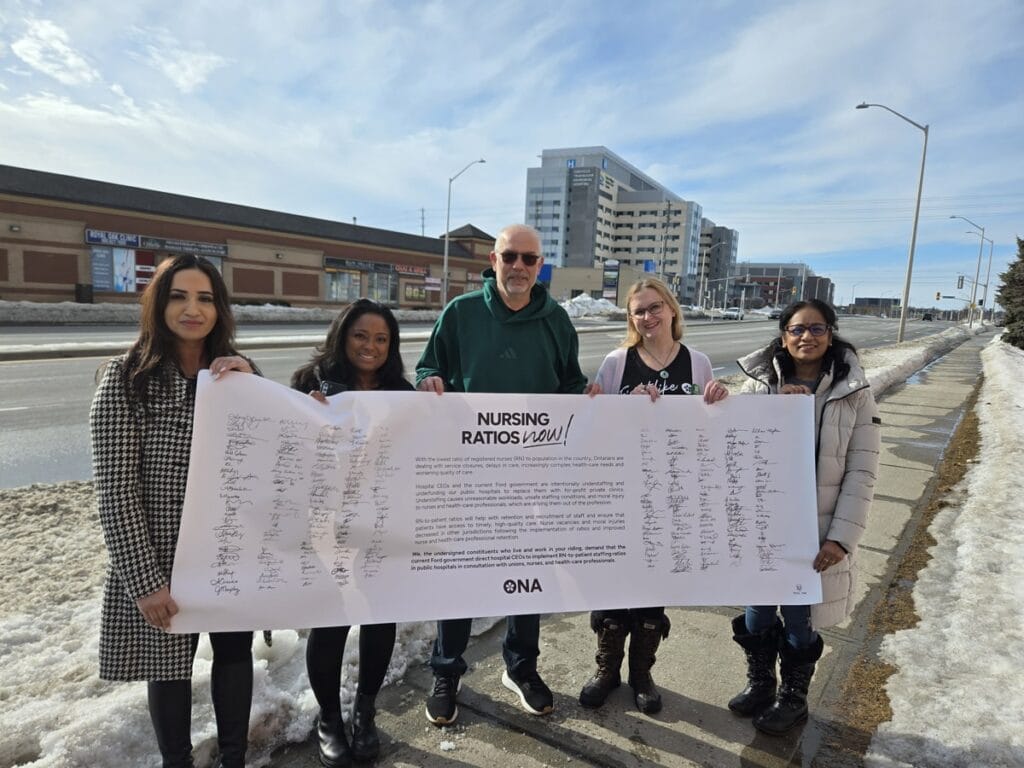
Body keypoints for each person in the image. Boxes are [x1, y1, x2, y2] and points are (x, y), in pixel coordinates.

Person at [416, 223, 588, 725]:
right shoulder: (462, 312)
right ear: (493, 260)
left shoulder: (556, 320)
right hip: (467, 470)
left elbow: (571, 382)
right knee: (462, 572)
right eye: (510, 256)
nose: (518, 267)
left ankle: (522, 666)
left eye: (529, 259)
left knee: (526, 572)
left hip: (534, 472)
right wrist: (429, 381)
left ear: (541, 266)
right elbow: (427, 367)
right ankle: (447, 670)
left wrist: (585, 398)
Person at [90, 254, 257, 768]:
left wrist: (251, 379)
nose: (192, 309)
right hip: (160, 558)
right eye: (179, 296)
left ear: (220, 308)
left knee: (233, 656)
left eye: (205, 298)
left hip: (228, 553)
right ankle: (176, 762)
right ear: (158, 303)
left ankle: (234, 759)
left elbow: (271, 459)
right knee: (167, 667)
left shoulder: (236, 376)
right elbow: (115, 493)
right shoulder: (126, 380)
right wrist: (143, 580)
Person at [731, 299, 881, 735]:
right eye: (797, 329)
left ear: (831, 335)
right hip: (764, 529)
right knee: (758, 614)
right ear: (783, 336)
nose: (806, 337)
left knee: (800, 619)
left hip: (813, 534)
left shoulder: (853, 392)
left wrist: (840, 539)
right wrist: (775, 406)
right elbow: (733, 449)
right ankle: (761, 683)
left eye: (817, 329)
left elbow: (862, 470)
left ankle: (793, 699)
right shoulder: (760, 388)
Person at [580, 277, 729, 714]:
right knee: (613, 585)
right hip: (620, 491)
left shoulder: (696, 362)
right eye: (638, 311)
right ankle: (606, 669)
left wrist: (719, 401)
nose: (647, 317)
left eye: (654, 307)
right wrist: (613, 406)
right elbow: (596, 428)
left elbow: (709, 428)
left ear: (672, 309)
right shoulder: (616, 362)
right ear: (631, 318)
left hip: (672, 494)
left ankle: (641, 673)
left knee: (651, 588)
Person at [290, 298, 413, 766]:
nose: (371, 346)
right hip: (327, 527)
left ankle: (365, 712)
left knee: (380, 618)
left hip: (383, 523)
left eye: (382, 339)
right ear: (343, 335)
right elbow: (286, 448)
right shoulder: (310, 383)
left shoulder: (402, 392)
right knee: (331, 620)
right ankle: (329, 719)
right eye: (362, 335)